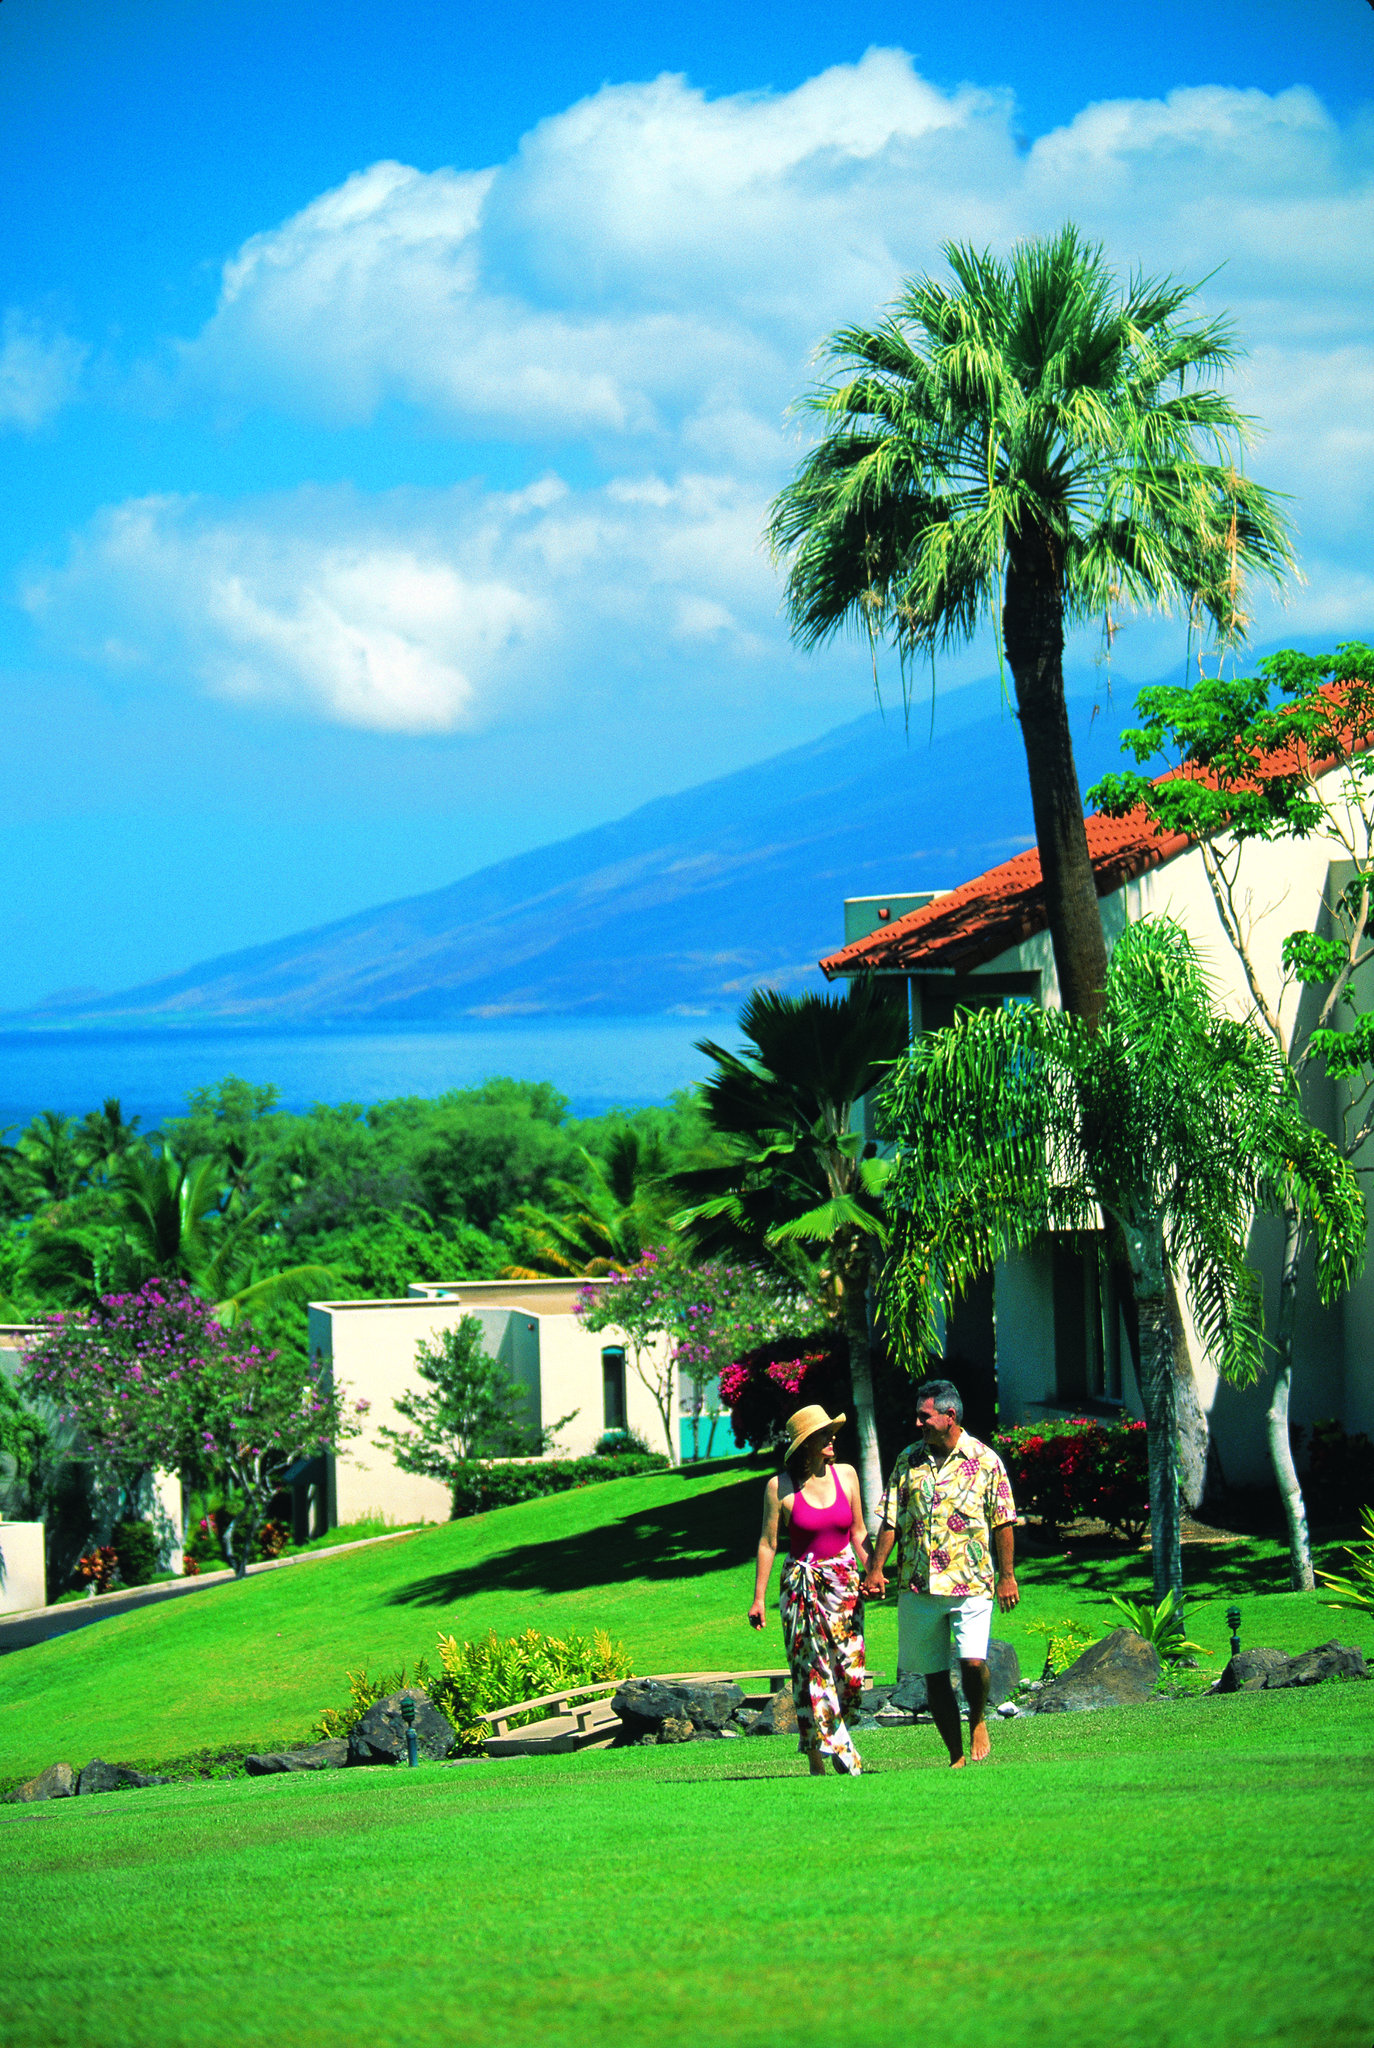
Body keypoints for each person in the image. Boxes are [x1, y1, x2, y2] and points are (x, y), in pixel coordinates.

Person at [861, 1377, 1018, 1768]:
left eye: (924, 1416)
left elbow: (1004, 1522)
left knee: (973, 1662)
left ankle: (979, 1719)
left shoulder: (986, 1461)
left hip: (972, 1582)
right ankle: (956, 1754)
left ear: (949, 1416)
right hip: (918, 1584)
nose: (918, 1423)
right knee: (932, 1674)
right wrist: (876, 1569)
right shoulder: (908, 1460)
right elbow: (891, 1519)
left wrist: (1007, 1576)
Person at [748, 1403, 869, 1776]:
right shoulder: (779, 1487)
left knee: (851, 1671)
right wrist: (758, 1599)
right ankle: (830, 1754)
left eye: (830, 1432)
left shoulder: (846, 1475)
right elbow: (768, 1543)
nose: (832, 1439)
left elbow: (858, 1532)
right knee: (811, 1672)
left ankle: (831, 1735)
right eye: (823, 1434)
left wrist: (874, 1570)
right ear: (806, 1444)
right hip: (801, 1586)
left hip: (845, 1585)